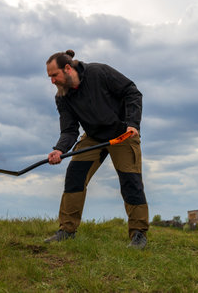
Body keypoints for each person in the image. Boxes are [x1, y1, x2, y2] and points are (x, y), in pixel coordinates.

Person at [44, 50, 149, 249]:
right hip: (94, 137)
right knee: (75, 175)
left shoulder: (98, 72)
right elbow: (69, 130)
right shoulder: (62, 96)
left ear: (67, 69)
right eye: (49, 77)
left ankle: (138, 235)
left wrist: (133, 123)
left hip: (122, 134)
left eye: (54, 75)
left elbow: (132, 91)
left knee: (130, 181)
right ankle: (66, 231)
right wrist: (59, 150)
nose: (52, 81)